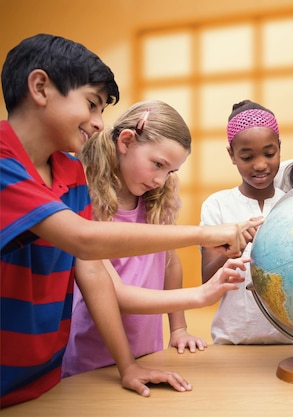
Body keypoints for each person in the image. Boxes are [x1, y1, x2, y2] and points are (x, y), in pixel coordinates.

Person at [0, 33, 259, 407]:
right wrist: (203, 237)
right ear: (40, 87)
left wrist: (127, 367)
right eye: (91, 105)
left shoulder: (69, 172)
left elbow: (92, 274)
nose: (98, 123)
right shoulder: (6, 165)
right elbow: (85, 240)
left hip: (46, 373)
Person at [60, 100, 221, 377]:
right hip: (92, 362)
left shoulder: (157, 201)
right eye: (157, 164)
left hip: (150, 353)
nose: (161, 179)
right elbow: (114, 295)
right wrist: (199, 295)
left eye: (170, 171)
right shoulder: (86, 202)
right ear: (126, 141)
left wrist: (179, 328)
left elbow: (170, 264)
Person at [200, 100, 293, 345]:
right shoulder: (217, 205)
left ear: (280, 149)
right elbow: (207, 280)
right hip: (232, 341)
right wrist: (233, 249)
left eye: (269, 154)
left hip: (289, 342)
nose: (260, 164)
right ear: (232, 155)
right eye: (247, 156)